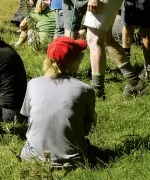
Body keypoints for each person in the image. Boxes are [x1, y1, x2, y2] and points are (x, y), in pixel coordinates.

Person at [20, 37, 96, 168]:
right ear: (74, 62)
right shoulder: (84, 89)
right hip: (74, 161)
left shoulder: (32, 84)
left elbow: (27, 116)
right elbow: (88, 127)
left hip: (32, 158)